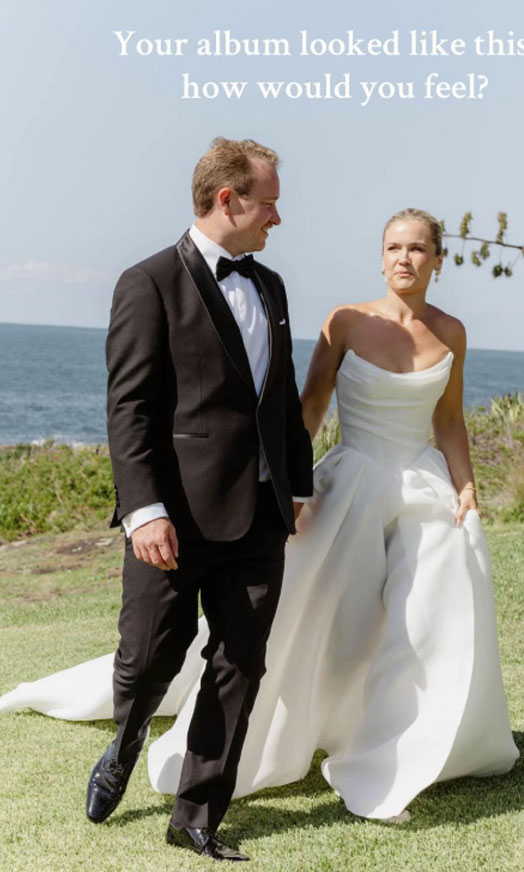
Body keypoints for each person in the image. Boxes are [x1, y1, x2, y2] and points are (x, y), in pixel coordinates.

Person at [1, 208, 519, 835]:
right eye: (392, 247)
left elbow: (449, 419)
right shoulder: (345, 321)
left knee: (427, 620)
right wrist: (288, 489)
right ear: (381, 256)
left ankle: (393, 751)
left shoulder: (452, 332)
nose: (403, 258)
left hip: (421, 490)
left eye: (416, 248)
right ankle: (142, 736)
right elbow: (306, 408)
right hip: (351, 484)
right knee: (300, 618)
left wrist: (466, 485)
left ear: (438, 258)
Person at [70, 137, 313, 862]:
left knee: (241, 664)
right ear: (228, 199)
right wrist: (143, 511)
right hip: (173, 519)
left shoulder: (271, 287)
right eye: (269, 202)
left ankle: (198, 814)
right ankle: (125, 740)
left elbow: (280, 396)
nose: (278, 217)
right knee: (149, 657)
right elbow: (130, 409)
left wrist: (296, 486)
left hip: (261, 513)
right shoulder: (147, 283)